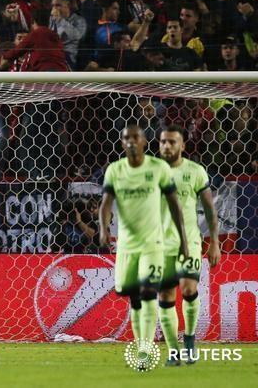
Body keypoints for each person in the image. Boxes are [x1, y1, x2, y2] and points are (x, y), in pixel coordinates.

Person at [99, 125, 189, 359]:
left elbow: (174, 205)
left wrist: (183, 241)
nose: (130, 141)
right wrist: (103, 228)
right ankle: (141, 342)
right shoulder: (115, 170)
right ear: (121, 143)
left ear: (144, 141)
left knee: (149, 291)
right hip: (127, 246)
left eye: (135, 137)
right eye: (126, 137)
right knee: (135, 298)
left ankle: (144, 350)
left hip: (153, 244)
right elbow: (106, 203)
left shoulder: (158, 168)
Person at [157, 125, 220, 365]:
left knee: (189, 289)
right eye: (163, 142)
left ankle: (190, 339)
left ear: (182, 146)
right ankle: (173, 351)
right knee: (165, 294)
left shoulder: (195, 171)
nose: (167, 146)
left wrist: (214, 242)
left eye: (173, 142)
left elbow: (211, 209)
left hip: (190, 242)